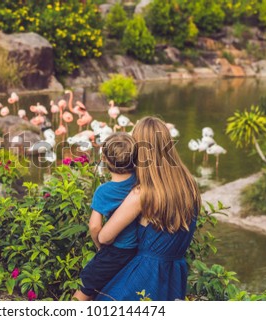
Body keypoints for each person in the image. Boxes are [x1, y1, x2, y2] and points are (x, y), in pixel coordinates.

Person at [95, 116, 201, 301]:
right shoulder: (189, 185)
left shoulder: (142, 193)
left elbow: (105, 236)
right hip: (174, 274)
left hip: (143, 275)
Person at [73, 132, 139, 300]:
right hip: (137, 250)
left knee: (86, 287)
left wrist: (99, 247)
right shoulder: (139, 183)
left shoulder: (104, 191)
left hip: (115, 251)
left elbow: (94, 226)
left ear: (104, 158)